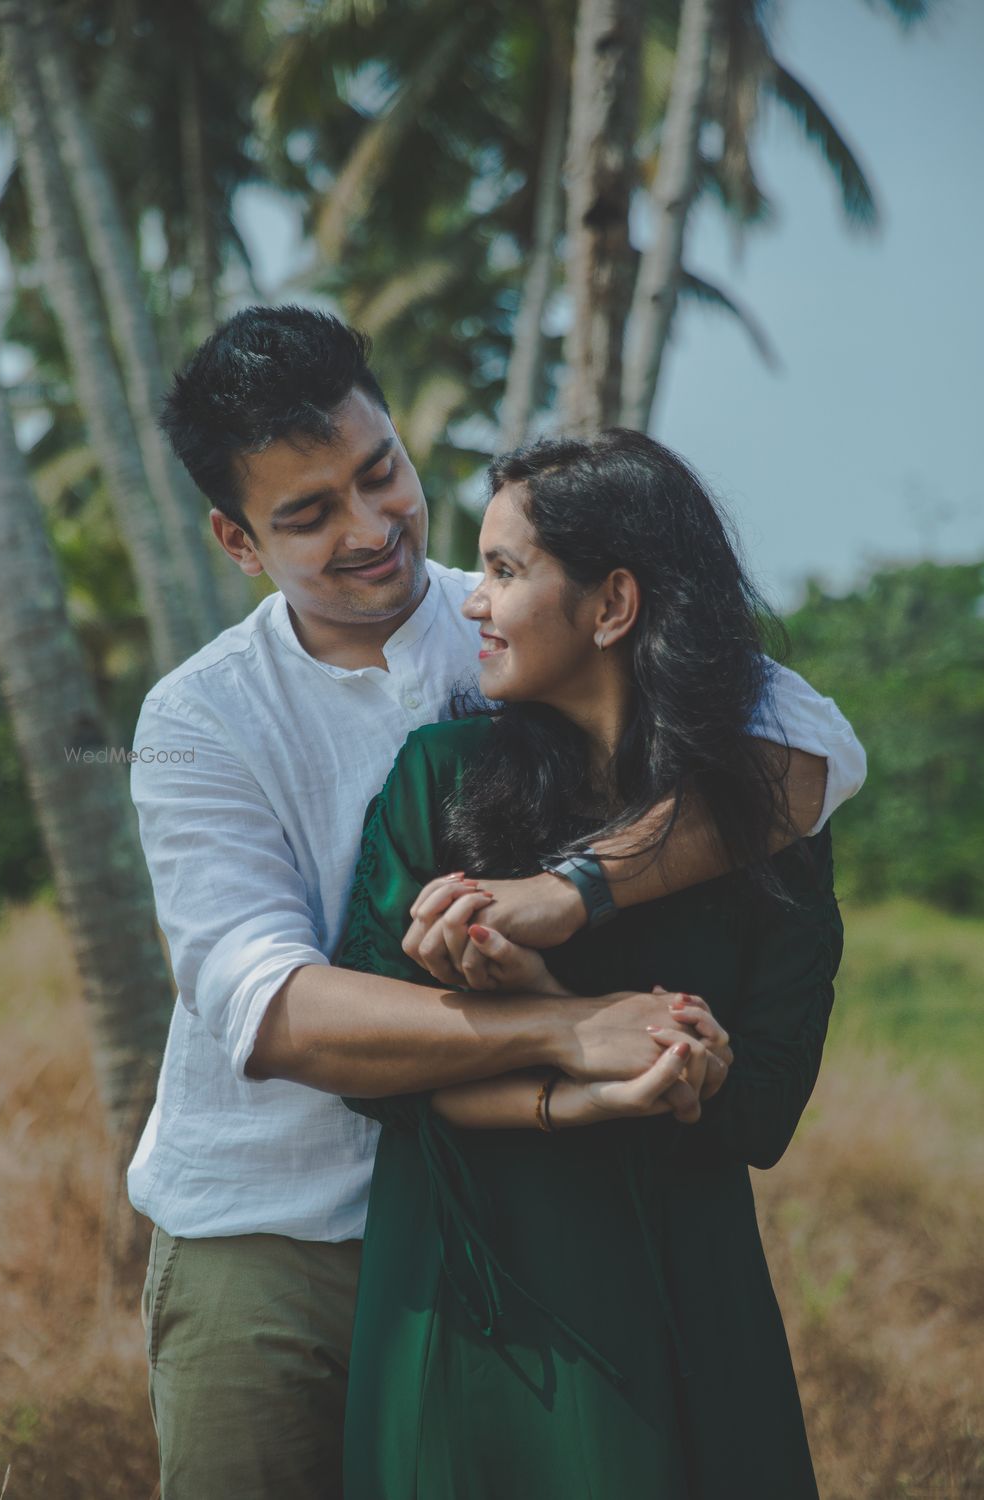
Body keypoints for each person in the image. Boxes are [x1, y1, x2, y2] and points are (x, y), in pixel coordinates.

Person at [130, 305, 864, 1500]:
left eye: (382, 476)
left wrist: (571, 893)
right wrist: (572, 1026)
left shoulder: (524, 611)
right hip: (269, 1242)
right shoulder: (195, 720)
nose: (372, 530)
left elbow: (813, 750)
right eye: (309, 514)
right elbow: (269, 1012)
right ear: (237, 538)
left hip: (526, 1214)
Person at [338, 429, 843, 1499]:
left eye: (508, 572)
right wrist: (581, 1057)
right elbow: (371, 1077)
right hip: (475, 1316)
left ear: (613, 606)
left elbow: (761, 1114)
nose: (472, 601)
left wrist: (677, 1062)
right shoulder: (439, 780)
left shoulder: (766, 822)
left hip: (687, 1313)